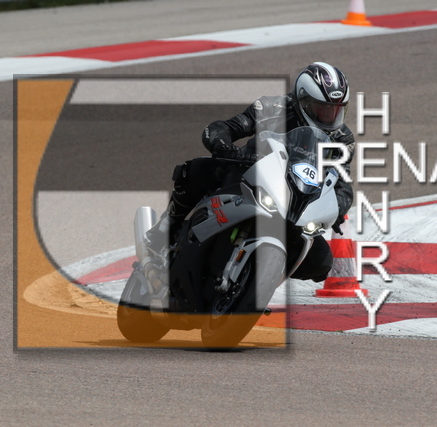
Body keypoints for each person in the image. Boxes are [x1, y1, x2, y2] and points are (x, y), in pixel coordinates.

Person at [145, 62, 355, 283]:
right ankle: (166, 227)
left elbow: (342, 184)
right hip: (251, 178)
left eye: (337, 110)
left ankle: (262, 280)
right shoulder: (273, 108)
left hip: (294, 203)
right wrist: (223, 146)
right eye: (323, 109)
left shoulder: (342, 139)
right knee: (200, 169)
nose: (330, 116)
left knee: (321, 262)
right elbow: (224, 128)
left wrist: (336, 209)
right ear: (303, 101)